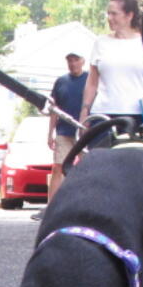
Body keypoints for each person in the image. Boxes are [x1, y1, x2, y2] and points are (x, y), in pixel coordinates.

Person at [79, 0, 143, 145]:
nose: (109, 18)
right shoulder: (101, 43)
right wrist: (84, 111)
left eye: (114, 14)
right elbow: (92, 82)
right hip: (103, 114)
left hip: (135, 115)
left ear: (129, 15)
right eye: (108, 13)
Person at [46, 50, 89, 199]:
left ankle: (87, 202)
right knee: (58, 167)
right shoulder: (61, 81)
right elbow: (54, 109)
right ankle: (51, 206)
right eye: (70, 61)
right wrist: (50, 133)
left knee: (87, 168)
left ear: (83, 61)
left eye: (76, 60)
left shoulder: (90, 79)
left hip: (84, 132)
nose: (73, 64)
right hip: (64, 131)